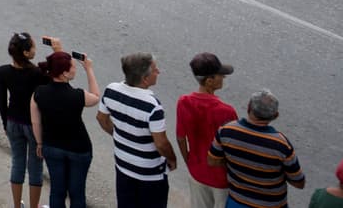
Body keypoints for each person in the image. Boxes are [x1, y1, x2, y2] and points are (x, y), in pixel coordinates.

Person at [95, 52, 177, 208]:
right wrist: (172, 159)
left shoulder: (111, 90)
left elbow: (101, 118)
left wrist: (119, 135)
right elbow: (161, 144)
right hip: (150, 176)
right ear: (145, 79)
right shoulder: (153, 106)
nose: (158, 72)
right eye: (155, 69)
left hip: (123, 166)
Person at [209, 89, 306, 208]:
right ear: (275, 116)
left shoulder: (226, 131)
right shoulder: (281, 145)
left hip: (237, 202)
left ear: (249, 108)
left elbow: (212, 160)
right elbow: (299, 183)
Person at [32, 49, 101, 208]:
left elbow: (36, 122)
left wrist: (40, 144)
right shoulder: (78, 95)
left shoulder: (39, 93)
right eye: (72, 67)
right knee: (77, 193)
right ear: (64, 74)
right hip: (79, 149)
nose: (75, 68)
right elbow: (96, 96)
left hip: (51, 146)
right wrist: (89, 69)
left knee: (57, 190)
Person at [176, 53, 237, 208]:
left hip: (197, 172)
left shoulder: (184, 102)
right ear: (209, 81)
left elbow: (180, 137)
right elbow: (233, 147)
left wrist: (189, 161)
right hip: (221, 178)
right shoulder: (227, 111)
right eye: (220, 75)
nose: (223, 78)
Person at [0, 33, 49, 208]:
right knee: (35, 167)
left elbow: (1, 101)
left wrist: (5, 124)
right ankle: (34, 206)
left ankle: (17, 205)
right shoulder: (37, 73)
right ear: (26, 53)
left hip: (12, 122)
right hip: (33, 125)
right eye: (33, 47)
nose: (35, 49)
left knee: (17, 163)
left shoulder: (3, 71)